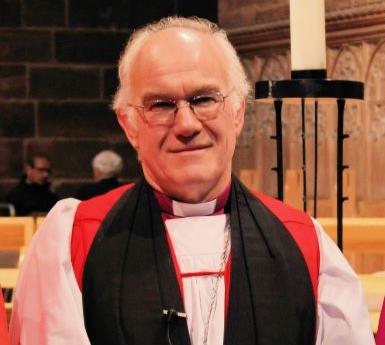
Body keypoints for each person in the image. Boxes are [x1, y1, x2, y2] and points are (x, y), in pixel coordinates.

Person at [9, 16, 374, 345]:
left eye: (204, 99)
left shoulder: (306, 245)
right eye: (161, 105)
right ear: (129, 125)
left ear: (238, 113)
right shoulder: (73, 243)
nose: (186, 125)